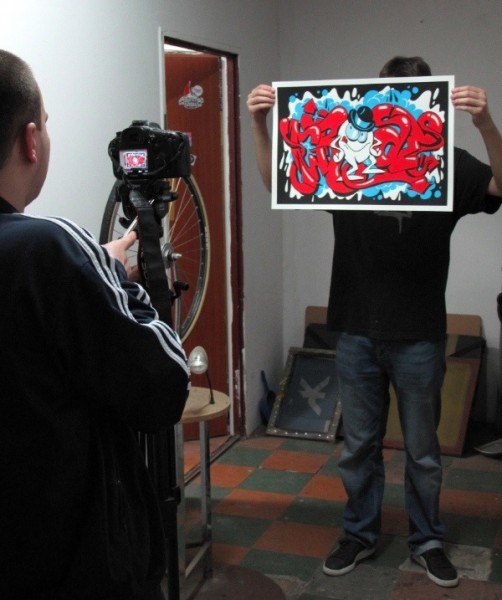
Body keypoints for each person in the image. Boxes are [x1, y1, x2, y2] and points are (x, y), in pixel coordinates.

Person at [247, 56, 502, 588]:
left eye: (412, 96)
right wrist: (259, 123)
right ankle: (359, 534)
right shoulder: (347, 153)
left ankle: (427, 539)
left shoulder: (448, 164)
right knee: (359, 447)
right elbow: (280, 184)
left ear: (429, 103)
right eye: (391, 96)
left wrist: (485, 124)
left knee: (423, 452)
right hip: (356, 330)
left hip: (419, 334)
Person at [0, 49, 190, 599]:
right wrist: (117, 283)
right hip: (72, 563)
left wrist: (92, 271)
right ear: (30, 141)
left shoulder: (48, 258)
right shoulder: (50, 247)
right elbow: (162, 388)